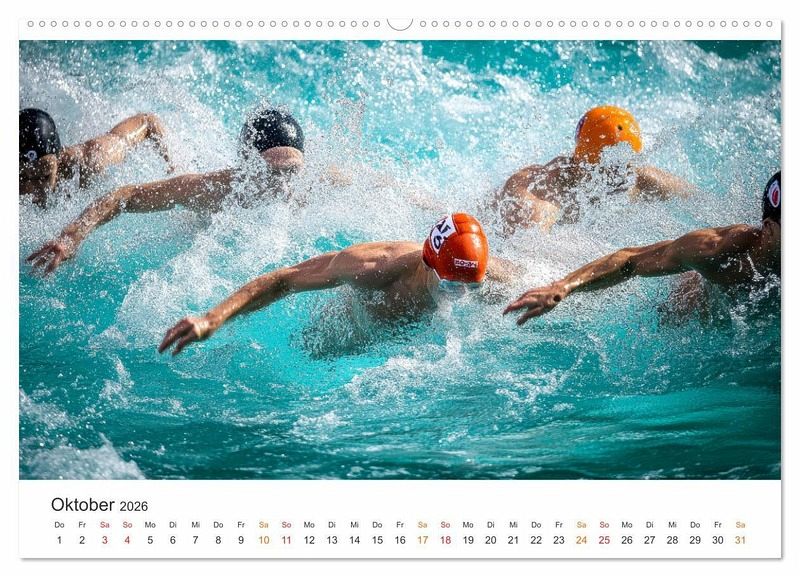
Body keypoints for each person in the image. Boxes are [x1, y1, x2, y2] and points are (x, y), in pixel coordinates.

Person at [159, 213, 514, 355]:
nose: (460, 296)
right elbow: (284, 280)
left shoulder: (478, 275)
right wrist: (213, 318)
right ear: (427, 262)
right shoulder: (372, 267)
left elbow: (530, 278)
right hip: (344, 333)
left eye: (471, 288)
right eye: (451, 286)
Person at [27, 107, 306, 274]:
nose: (283, 185)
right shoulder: (210, 190)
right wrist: (72, 236)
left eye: (291, 171)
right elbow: (125, 195)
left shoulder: (307, 187)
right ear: (247, 164)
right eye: (272, 172)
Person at [504, 172, 781, 325]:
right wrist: (563, 287)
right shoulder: (717, 250)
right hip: (693, 316)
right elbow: (631, 260)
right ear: (768, 229)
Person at [491, 105, 696, 233]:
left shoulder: (639, 178)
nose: (619, 176)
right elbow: (528, 252)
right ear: (583, 161)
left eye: (624, 166)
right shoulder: (542, 190)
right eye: (608, 168)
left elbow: (702, 206)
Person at [19, 108, 174, 206]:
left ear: (58, 157)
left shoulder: (91, 160)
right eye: (24, 178)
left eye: (44, 176)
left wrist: (172, 165)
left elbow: (147, 121)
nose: (35, 188)